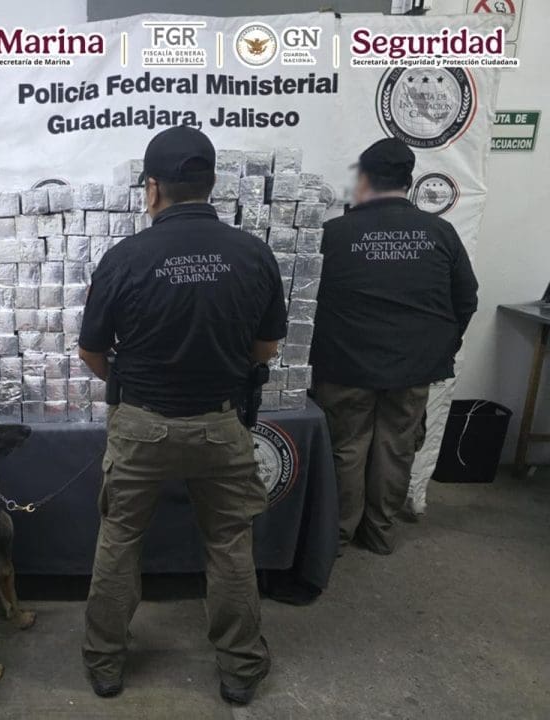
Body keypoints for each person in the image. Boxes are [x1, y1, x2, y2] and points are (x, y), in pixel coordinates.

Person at [77, 126, 287, 706]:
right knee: (229, 543)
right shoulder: (252, 254)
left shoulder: (124, 258)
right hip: (221, 423)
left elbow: (91, 352)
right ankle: (240, 670)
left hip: (140, 425)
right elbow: (266, 348)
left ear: (152, 188)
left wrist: (133, 383)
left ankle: (104, 664)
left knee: (120, 539)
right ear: (212, 183)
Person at [310, 137, 478, 556]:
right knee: (396, 448)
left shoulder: (334, 234)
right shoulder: (440, 232)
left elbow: (306, 300)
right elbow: (466, 299)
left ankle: (338, 535)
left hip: (345, 363)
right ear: (409, 181)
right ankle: (380, 532)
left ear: (364, 179)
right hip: (412, 366)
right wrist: (439, 347)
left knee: (346, 448)